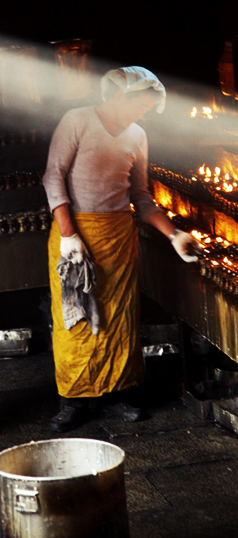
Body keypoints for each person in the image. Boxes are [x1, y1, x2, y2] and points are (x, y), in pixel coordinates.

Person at [42, 66, 199, 431]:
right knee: (76, 317)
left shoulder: (138, 135)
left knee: (118, 318)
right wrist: (68, 234)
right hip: (75, 231)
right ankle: (75, 400)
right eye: (140, 106)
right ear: (119, 95)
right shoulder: (77, 121)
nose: (142, 114)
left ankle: (116, 395)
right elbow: (53, 175)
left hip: (118, 235)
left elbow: (141, 197)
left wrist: (174, 235)